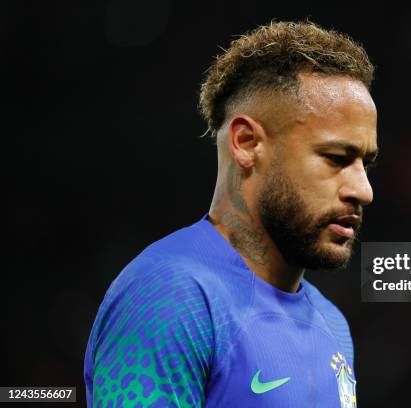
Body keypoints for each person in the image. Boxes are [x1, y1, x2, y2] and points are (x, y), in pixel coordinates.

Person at [84, 20, 378, 407]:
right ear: (246, 142)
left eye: (365, 163)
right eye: (336, 158)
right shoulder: (170, 299)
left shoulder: (332, 325)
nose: (363, 191)